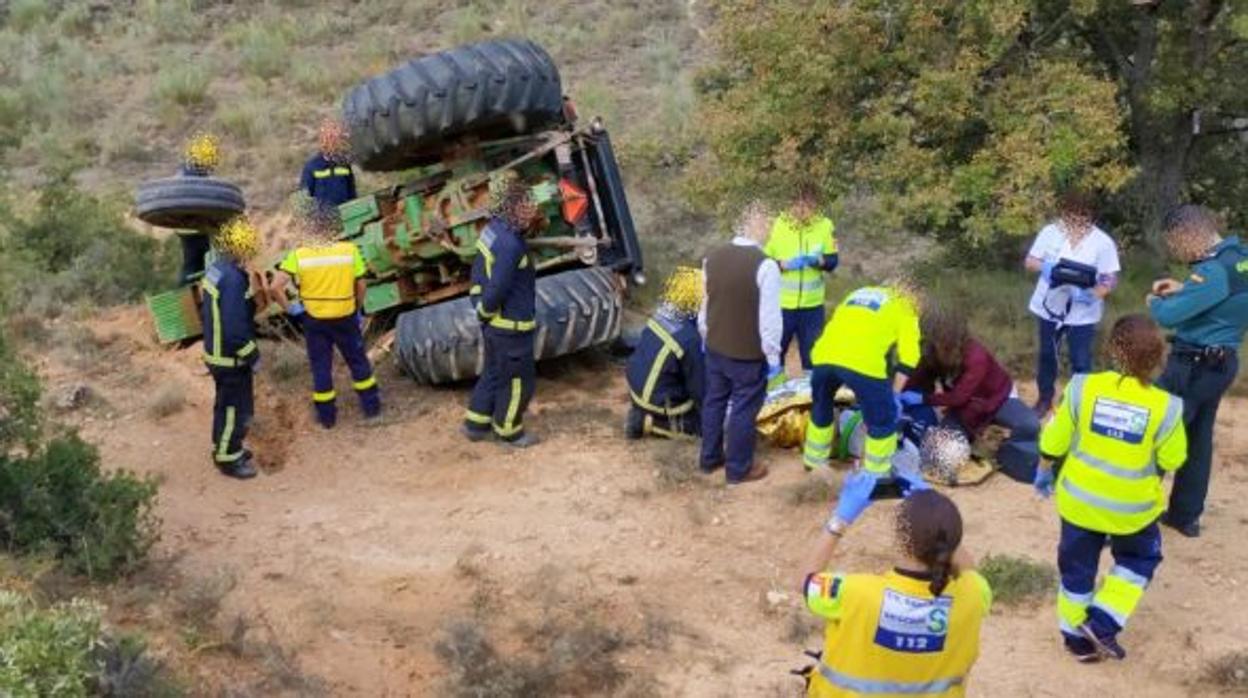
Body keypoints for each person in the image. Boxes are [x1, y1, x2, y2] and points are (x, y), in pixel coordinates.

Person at [1035, 314, 1187, 662]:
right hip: (1132, 512)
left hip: (1079, 503)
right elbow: (1174, 458)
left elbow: (1054, 442)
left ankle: (1077, 643)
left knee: (1077, 571)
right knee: (1140, 558)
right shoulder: (1167, 407)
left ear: (1111, 350)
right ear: (1157, 359)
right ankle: (1103, 621)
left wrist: (1044, 471)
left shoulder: (1082, 388)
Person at [799, 488, 991, 697]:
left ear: (901, 539)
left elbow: (805, 581)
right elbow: (971, 574)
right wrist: (942, 527)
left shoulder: (855, 593)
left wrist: (839, 522)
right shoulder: (974, 593)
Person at [1148, 204, 1248, 538]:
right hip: (1222, 362)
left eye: (1176, 243)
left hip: (1192, 365)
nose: (1177, 250)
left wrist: (1156, 302)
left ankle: (1132, 513)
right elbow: (1226, 296)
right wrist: (1185, 288)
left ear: (1190, 233)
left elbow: (1168, 317)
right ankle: (1185, 515)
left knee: (1157, 435)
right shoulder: (1239, 259)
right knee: (1197, 438)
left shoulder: (1212, 271)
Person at [802, 284, 926, 499]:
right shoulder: (907, 307)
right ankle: (876, 479)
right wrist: (893, 394)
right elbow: (909, 358)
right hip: (863, 363)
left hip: (823, 356)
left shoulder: (858, 293)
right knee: (883, 420)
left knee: (822, 406)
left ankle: (813, 464)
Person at [902, 306, 1041, 482]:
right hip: (965, 409)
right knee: (941, 457)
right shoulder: (932, 353)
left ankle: (1001, 448)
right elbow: (918, 378)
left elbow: (959, 396)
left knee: (1030, 425)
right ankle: (975, 439)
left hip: (997, 399)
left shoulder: (976, 356)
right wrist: (902, 397)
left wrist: (924, 399)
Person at [271, 211, 381, 429]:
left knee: (321, 367)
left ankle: (327, 419)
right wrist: (357, 309)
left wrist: (291, 308)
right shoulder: (349, 251)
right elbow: (361, 285)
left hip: (314, 320)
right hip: (345, 316)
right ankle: (372, 409)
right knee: (358, 362)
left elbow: (275, 286)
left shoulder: (299, 255)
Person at [698, 202, 782, 484]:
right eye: (766, 224)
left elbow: (705, 304)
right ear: (758, 227)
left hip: (715, 347)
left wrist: (705, 335)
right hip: (747, 355)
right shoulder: (766, 265)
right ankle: (738, 469)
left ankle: (709, 460)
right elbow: (769, 321)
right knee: (744, 409)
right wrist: (773, 358)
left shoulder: (712, 257)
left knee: (714, 401)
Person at [462, 176, 545, 447]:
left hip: (495, 328)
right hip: (511, 328)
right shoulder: (510, 244)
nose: (531, 210)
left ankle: (476, 424)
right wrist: (485, 311)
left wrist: (479, 307)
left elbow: (477, 274)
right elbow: (498, 287)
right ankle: (509, 431)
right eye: (526, 205)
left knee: (494, 373)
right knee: (519, 382)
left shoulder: (492, 230)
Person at [1024, 191, 1120, 416]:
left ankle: (1074, 405)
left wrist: (1094, 294)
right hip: (1049, 306)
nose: (1078, 221)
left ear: (1092, 216)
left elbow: (1109, 278)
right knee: (1048, 354)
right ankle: (1044, 399)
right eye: (1073, 216)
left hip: (1082, 312)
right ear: (1064, 213)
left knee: (1080, 359)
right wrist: (1046, 268)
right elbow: (1030, 261)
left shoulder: (1103, 242)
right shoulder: (1050, 233)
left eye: (1084, 217)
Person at [200, 217, 261, 480]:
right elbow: (235, 329)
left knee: (224, 406)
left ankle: (224, 447)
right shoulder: (234, 279)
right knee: (237, 408)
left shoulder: (216, 269)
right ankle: (228, 457)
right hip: (230, 359)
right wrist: (252, 354)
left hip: (215, 353)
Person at [764, 182, 839, 372]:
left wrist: (819, 261)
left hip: (812, 307)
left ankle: (810, 399)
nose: (803, 210)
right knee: (774, 356)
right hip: (781, 305)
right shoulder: (777, 224)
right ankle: (775, 398)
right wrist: (782, 265)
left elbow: (833, 261)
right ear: (790, 204)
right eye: (798, 205)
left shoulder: (825, 225)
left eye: (808, 205)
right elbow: (762, 262)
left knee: (813, 358)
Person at [625, 267, 705, 439]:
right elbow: (698, 387)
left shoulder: (662, 314)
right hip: (658, 401)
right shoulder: (689, 338)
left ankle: (642, 412)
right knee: (703, 428)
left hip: (637, 389)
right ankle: (650, 424)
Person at [176, 133, 221, 286]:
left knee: (193, 263)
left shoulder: (184, 170)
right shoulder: (195, 172)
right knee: (208, 261)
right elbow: (204, 196)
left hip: (184, 227)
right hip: (197, 226)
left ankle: (188, 296)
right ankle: (206, 292)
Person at [300, 119, 357, 213]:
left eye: (337, 140)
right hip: (323, 222)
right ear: (323, 141)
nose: (334, 144)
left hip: (345, 217)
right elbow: (304, 201)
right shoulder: (312, 167)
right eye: (331, 140)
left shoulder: (344, 165)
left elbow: (352, 194)